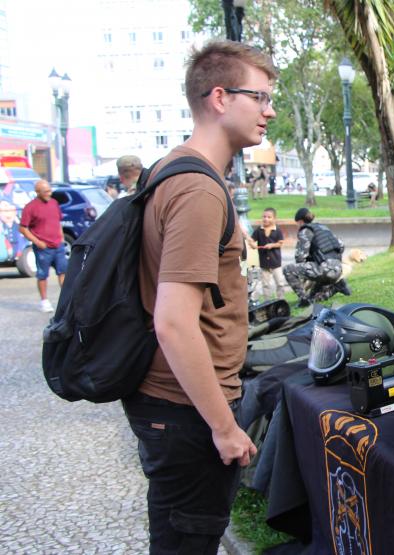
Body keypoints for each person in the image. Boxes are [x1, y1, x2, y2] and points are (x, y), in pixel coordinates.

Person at [123, 40, 276, 553]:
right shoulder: (199, 191)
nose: (269, 110)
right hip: (188, 411)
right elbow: (174, 323)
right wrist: (225, 426)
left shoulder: (174, 170)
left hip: (173, 405)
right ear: (219, 97)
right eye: (260, 97)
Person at [283, 207, 352, 308]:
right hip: (337, 269)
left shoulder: (305, 230)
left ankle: (303, 300)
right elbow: (341, 246)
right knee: (313, 297)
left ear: (300, 221)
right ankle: (337, 286)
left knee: (288, 270)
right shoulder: (323, 228)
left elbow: (300, 258)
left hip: (324, 269)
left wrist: (308, 270)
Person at [19, 179, 66, 313]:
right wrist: (37, 242)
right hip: (43, 248)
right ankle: (44, 301)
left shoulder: (54, 203)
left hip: (58, 245)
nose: (49, 194)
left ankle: (66, 299)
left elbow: (58, 222)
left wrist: (61, 237)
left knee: (63, 272)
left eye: (50, 190)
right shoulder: (30, 207)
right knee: (42, 274)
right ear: (37, 192)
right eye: (45, 192)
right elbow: (23, 228)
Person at [247, 207, 285, 301]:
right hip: (264, 263)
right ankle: (267, 302)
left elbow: (280, 243)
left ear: (274, 219)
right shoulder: (259, 230)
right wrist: (252, 244)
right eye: (264, 216)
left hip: (276, 262)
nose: (266, 219)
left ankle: (281, 300)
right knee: (266, 284)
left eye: (269, 217)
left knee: (280, 282)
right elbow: (252, 241)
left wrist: (272, 245)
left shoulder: (277, 230)